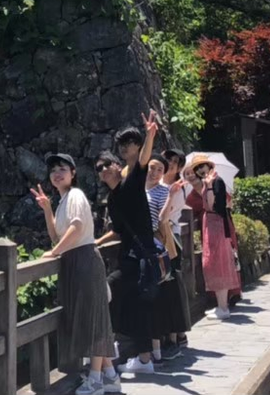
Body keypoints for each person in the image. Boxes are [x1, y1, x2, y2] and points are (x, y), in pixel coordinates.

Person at [32, 153, 118, 395]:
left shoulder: (76, 195)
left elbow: (77, 227)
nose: (57, 174)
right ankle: (110, 377)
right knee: (92, 318)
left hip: (84, 260)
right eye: (53, 171)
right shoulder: (63, 201)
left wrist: (54, 253)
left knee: (93, 320)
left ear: (73, 172)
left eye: (62, 169)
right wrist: (47, 209)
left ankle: (96, 380)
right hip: (76, 261)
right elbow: (56, 236)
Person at [95, 111, 162, 377]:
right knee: (136, 306)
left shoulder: (132, 182)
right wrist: (96, 241)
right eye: (98, 168)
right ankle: (144, 359)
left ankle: (107, 345)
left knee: (106, 289)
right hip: (130, 254)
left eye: (106, 165)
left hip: (139, 256)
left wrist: (149, 134)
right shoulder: (112, 199)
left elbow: (142, 161)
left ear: (116, 166)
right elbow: (118, 231)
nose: (103, 170)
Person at [150, 152, 192, 359]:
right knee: (164, 290)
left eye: (176, 163)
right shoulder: (154, 187)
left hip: (170, 241)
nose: (171, 165)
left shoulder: (176, 189)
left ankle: (174, 338)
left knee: (171, 289)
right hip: (158, 241)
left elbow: (164, 218)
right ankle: (175, 335)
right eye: (169, 161)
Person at [188, 155, 240, 318]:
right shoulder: (210, 181)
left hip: (216, 224)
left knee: (218, 263)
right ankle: (221, 305)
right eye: (197, 168)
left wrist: (209, 186)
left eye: (202, 166)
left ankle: (223, 307)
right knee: (213, 263)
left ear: (209, 166)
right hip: (211, 223)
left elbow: (212, 206)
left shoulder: (216, 181)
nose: (200, 170)